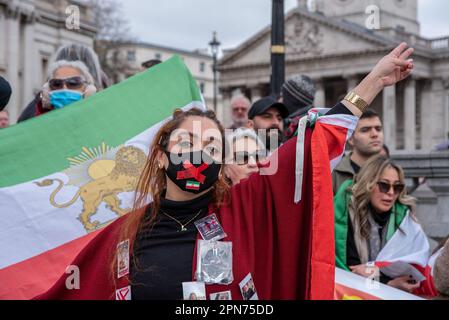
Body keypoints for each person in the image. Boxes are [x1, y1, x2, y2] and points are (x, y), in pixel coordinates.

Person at [36, 43, 414, 300]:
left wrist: (371, 83)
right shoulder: (124, 232)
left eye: (211, 146)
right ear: (164, 156)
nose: (199, 153)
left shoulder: (244, 207)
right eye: (186, 144)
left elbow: (306, 151)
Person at [334, 156, 430, 293]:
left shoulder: (404, 217)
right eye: (384, 185)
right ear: (368, 183)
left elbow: (413, 269)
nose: (391, 193)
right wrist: (388, 283)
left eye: (397, 187)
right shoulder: (345, 209)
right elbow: (352, 270)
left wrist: (374, 273)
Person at [18, 44, 104, 123]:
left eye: (73, 83)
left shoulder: (103, 120)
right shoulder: (32, 121)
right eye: (56, 83)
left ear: (89, 89)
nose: (64, 88)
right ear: (47, 90)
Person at [332, 109, 384, 194]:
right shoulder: (334, 173)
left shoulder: (392, 172)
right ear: (351, 139)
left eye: (378, 129)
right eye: (365, 130)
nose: (375, 134)